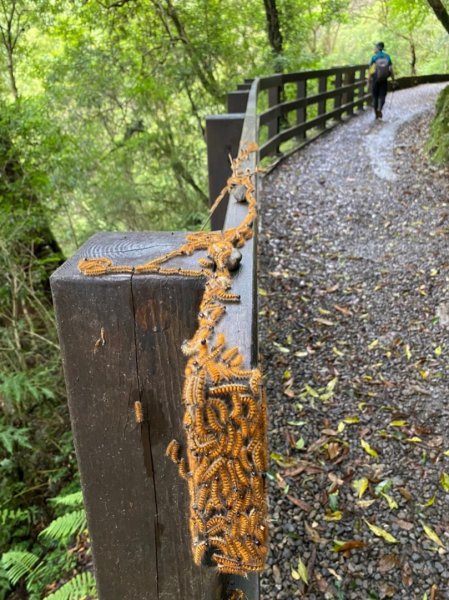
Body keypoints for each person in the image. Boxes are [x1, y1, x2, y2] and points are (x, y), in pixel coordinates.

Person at [368, 42, 394, 119]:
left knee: (375, 96)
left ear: (377, 48)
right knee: (382, 95)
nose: (374, 49)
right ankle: (380, 108)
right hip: (384, 79)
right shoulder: (387, 56)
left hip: (376, 79)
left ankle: (376, 112)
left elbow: (370, 69)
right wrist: (393, 79)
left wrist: (368, 80)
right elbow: (391, 69)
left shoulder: (374, 57)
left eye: (375, 47)